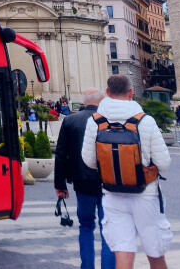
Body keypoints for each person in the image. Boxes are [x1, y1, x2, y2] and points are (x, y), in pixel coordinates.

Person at [81, 74, 171, 269]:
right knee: (155, 253)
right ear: (131, 93)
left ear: (107, 93)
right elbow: (163, 163)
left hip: (112, 193)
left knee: (122, 252)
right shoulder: (145, 121)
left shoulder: (95, 122)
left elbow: (89, 161)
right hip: (145, 194)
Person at [56, 88, 115, 269]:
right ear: (101, 101)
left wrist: (60, 185)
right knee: (109, 231)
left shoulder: (70, 120)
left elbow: (61, 154)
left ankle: (87, 266)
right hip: (108, 184)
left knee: (86, 227)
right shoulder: (109, 121)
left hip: (82, 183)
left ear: (84, 101)